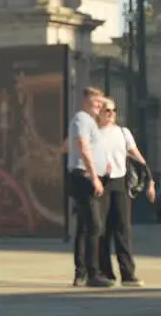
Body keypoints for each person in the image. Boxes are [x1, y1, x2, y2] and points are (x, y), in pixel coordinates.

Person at [94, 98, 153, 287]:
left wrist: (150, 179)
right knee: (102, 229)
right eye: (107, 110)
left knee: (123, 228)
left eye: (114, 110)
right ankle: (105, 272)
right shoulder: (94, 134)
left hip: (120, 181)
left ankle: (128, 274)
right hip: (101, 182)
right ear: (99, 113)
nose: (111, 114)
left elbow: (137, 156)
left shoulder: (123, 132)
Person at [65, 87, 110, 288]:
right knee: (94, 225)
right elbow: (82, 146)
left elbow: (67, 146)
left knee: (84, 226)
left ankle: (81, 272)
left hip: (84, 176)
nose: (99, 106)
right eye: (95, 102)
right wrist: (94, 176)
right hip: (85, 177)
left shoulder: (86, 121)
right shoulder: (82, 119)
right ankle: (93, 273)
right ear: (85, 100)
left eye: (100, 103)